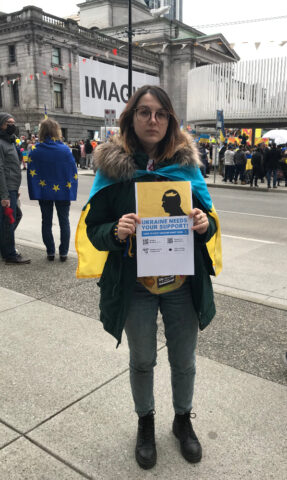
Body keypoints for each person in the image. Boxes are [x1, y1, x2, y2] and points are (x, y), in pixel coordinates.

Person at [81, 85, 221, 470]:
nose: (153, 120)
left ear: (170, 119)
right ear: (131, 118)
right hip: (136, 286)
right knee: (142, 360)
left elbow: (208, 225)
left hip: (181, 283)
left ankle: (181, 421)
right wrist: (116, 230)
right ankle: (146, 422)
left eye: (160, 113)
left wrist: (203, 224)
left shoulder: (186, 167)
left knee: (184, 360)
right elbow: (94, 228)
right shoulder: (114, 168)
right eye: (144, 112)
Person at [27, 118, 78, 261]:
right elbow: (72, 172)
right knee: (64, 221)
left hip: (44, 192)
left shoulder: (35, 150)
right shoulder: (65, 150)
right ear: (57, 131)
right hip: (63, 190)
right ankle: (63, 253)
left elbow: (31, 171)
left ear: (42, 131)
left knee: (46, 221)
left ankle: (50, 251)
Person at [0, 112, 31, 264]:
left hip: (11, 188)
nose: (12, 126)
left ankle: (5, 247)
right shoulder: (1, 143)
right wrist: (4, 195)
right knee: (10, 220)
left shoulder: (10, 141)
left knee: (11, 218)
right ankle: (10, 254)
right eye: (8, 123)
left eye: (13, 122)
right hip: (6, 190)